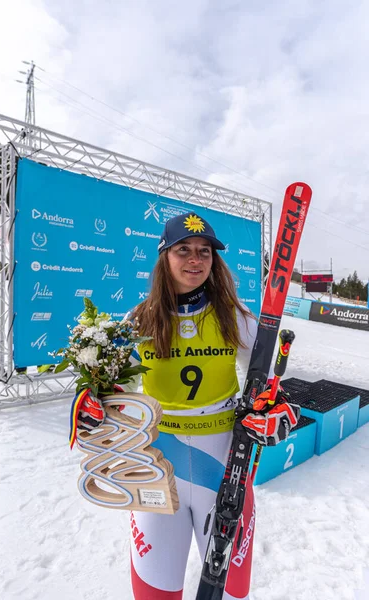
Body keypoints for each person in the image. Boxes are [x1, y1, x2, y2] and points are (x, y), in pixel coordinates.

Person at [78, 212, 300, 599]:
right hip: (156, 468)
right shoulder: (139, 320)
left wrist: (275, 411)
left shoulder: (234, 317)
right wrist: (91, 407)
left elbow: (266, 387)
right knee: (154, 592)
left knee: (230, 593)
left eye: (204, 252)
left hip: (225, 468)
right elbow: (111, 392)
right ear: (165, 256)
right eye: (184, 250)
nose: (196, 260)